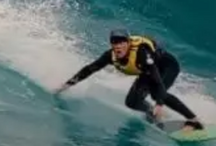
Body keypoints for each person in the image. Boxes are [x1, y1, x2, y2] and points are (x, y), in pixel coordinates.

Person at [55, 29, 204, 131]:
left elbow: (156, 78)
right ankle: (151, 113)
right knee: (132, 101)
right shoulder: (110, 55)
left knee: (158, 93)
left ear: (128, 43)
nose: (118, 46)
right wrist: (67, 84)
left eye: (121, 43)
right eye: (115, 43)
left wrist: (159, 103)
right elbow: (89, 69)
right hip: (147, 71)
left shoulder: (140, 52)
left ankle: (194, 120)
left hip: (167, 66)